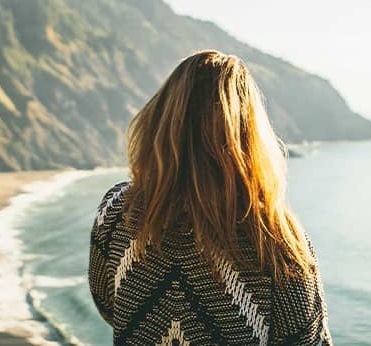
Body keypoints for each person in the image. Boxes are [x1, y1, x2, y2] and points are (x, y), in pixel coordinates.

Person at [89, 50, 332, 346]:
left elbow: (107, 304)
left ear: (161, 121)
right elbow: (308, 341)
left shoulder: (116, 211)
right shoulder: (276, 238)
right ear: (249, 134)